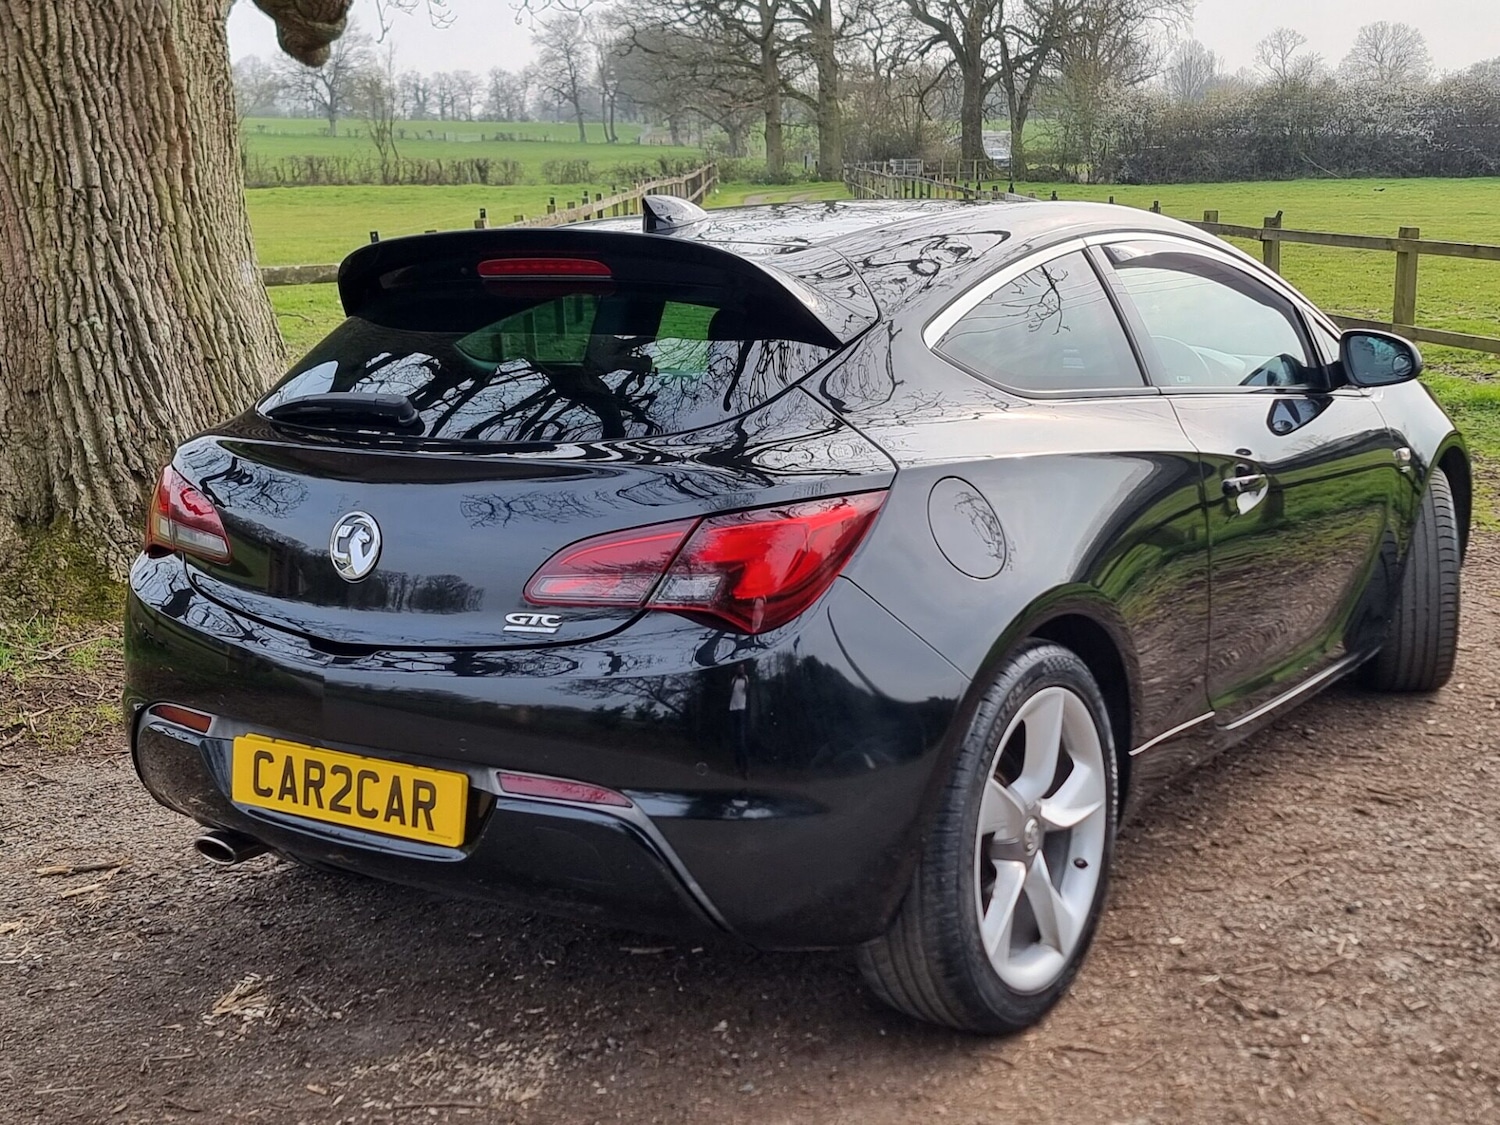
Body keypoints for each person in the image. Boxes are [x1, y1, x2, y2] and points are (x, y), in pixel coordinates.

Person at [728, 665, 750, 777]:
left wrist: (743, 678)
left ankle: (745, 768)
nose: (740, 670)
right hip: (733, 708)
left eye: (742, 668)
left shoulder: (745, 678)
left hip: (741, 709)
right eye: (739, 668)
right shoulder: (734, 679)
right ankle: (737, 766)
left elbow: (746, 690)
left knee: (741, 740)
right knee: (735, 739)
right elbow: (730, 690)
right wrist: (735, 679)